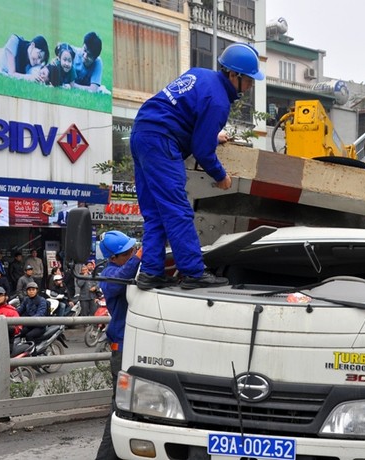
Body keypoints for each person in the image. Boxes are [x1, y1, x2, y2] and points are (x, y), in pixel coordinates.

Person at [130, 43, 264, 290]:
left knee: (155, 212)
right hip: (162, 141)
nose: (251, 86)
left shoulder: (200, 74)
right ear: (234, 75)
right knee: (177, 210)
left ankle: (150, 271)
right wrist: (220, 175)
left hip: (142, 134)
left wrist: (213, 135)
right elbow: (202, 150)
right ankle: (193, 272)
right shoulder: (219, 102)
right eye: (250, 80)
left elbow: (183, 116)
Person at [95, 230, 141, 459]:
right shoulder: (109, 275)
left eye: (134, 249)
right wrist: (139, 257)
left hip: (138, 345)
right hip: (122, 348)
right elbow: (122, 277)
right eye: (128, 252)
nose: (133, 253)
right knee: (120, 409)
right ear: (114, 258)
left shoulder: (130, 267)